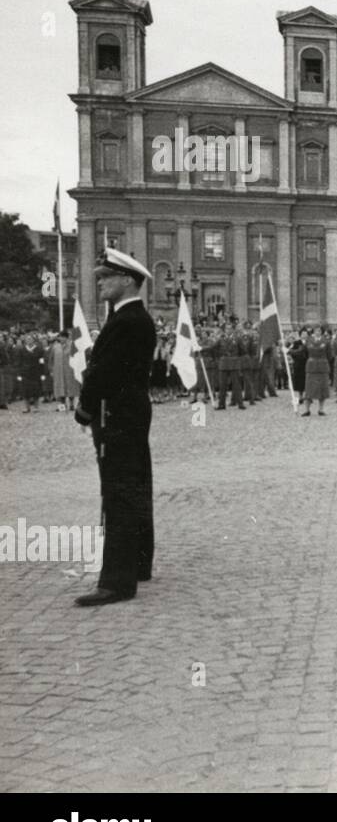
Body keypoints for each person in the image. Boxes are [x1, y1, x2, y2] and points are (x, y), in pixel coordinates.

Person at [73, 249, 157, 606]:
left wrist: (84, 408)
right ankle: (138, 563)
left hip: (116, 416)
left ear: (127, 280)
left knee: (119, 494)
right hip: (128, 414)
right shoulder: (133, 318)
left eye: (106, 277)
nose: (101, 282)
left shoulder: (125, 321)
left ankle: (116, 582)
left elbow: (104, 372)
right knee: (135, 488)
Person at [302, 328, 332, 416]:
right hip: (311, 367)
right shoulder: (308, 340)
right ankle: (307, 410)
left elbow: (329, 355)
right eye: (316, 331)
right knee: (309, 389)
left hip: (322, 367)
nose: (318, 332)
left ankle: (321, 409)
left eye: (319, 331)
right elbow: (303, 352)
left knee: (322, 389)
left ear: (321, 332)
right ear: (313, 332)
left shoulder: (326, 341)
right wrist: (289, 351)